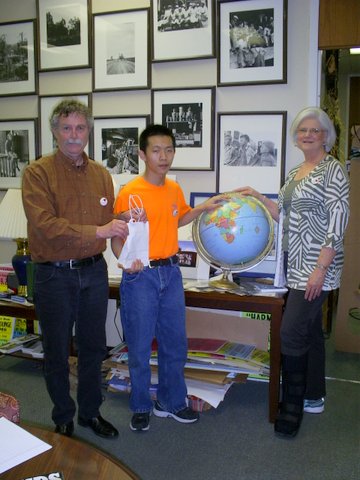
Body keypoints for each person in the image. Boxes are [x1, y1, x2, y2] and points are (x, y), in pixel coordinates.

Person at [236, 107, 350, 438]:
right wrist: (258, 197)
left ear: (326, 136)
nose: (308, 135)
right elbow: (283, 215)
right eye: (303, 130)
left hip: (317, 267)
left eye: (315, 130)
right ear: (296, 136)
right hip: (293, 263)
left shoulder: (332, 171)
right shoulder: (294, 172)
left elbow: (338, 220)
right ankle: (314, 395)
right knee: (310, 331)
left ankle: (292, 405)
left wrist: (321, 268)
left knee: (290, 333)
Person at [22, 99, 129, 439]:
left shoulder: (101, 174)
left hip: (93, 272)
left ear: (88, 131)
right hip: (53, 274)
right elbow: (44, 224)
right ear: (55, 132)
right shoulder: (37, 173)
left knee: (94, 346)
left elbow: (107, 219)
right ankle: (63, 417)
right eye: (66, 128)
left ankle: (90, 414)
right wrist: (98, 231)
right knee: (56, 349)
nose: (73, 135)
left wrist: (125, 219)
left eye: (80, 128)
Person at [111, 124, 223, 433]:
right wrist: (125, 261)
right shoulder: (130, 191)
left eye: (169, 150)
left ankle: (171, 401)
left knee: (175, 344)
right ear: (142, 154)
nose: (164, 156)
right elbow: (118, 235)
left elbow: (179, 217)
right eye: (157, 150)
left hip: (171, 274)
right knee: (140, 346)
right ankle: (141, 406)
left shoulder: (174, 188)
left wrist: (202, 208)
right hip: (141, 276)